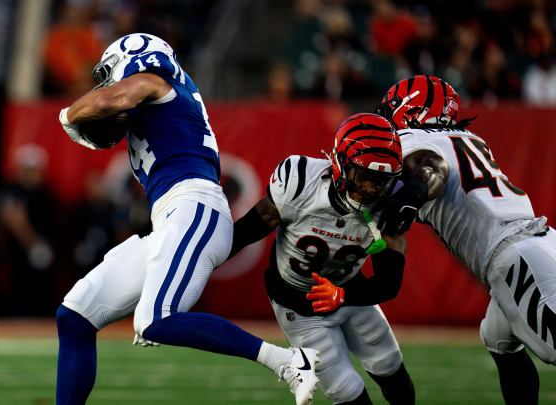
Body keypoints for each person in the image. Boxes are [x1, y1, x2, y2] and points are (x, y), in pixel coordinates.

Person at [56, 33, 319, 405]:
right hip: (174, 217)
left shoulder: (154, 80)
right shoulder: (155, 97)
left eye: (110, 72)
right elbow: (109, 116)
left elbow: (107, 100)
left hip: (195, 206)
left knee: (155, 320)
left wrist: (66, 116)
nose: (108, 82)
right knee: (75, 315)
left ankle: (289, 361)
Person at [375, 74, 556, 405]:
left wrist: (413, 191)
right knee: (498, 338)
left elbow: (432, 167)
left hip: (515, 256)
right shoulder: (469, 137)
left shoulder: (410, 139)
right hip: (536, 242)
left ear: (409, 108)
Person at [229, 113, 415, 405]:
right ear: (340, 164)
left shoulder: (391, 205)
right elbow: (244, 231)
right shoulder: (301, 182)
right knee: (347, 391)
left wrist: (342, 295)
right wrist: (200, 262)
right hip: (299, 307)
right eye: (364, 175)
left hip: (351, 293)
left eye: (380, 180)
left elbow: (388, 283)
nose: (370, 188)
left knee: (391, 368)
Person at [0, 143, 57, 316]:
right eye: (28, 170)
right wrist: (33, 244)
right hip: (17, 255)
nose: (32, 174)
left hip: (44, 255)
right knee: (19, 295)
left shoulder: (46, 193)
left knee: (42, 295)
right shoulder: (11, 192)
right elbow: (11, 220)